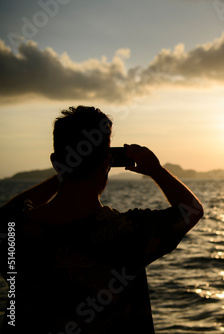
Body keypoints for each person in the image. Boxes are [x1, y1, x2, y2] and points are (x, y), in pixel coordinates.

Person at [0, 106, 203, 333]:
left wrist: (65, 170)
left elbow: (9, 211)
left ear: (55, 162)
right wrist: (155, 170)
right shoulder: (127, 233)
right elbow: (191, 210)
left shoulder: (15, 231)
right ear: (107, 163)